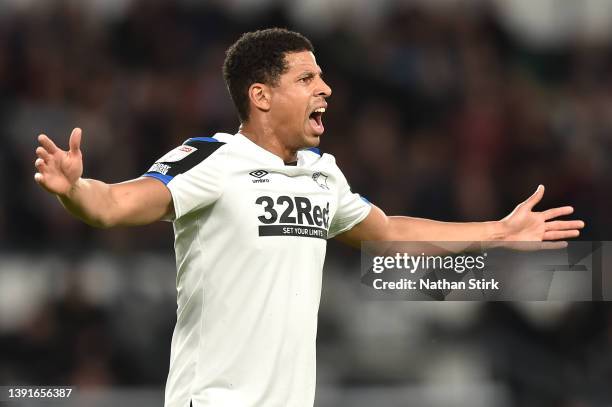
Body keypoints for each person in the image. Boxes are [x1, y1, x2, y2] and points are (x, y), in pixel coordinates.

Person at [33, 28, 584, 407]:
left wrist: (499, 231)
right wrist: (75, 189)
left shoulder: (323, 174)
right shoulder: (212, 160)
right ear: (261, 96)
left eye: (321, 77)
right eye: (306, 79)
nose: (325, 89)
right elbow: (116, 205)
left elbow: (389, 232)